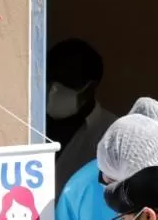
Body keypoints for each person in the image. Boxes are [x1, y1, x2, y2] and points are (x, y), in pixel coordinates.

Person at [47, 38, 119, 193]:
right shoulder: (31, 123)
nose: (55, 88)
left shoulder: (112, 132)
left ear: (91, 86)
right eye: (51, 79)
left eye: (68, 81)